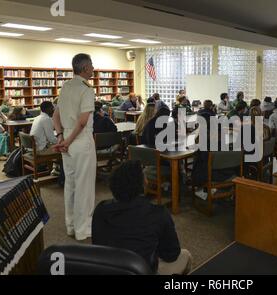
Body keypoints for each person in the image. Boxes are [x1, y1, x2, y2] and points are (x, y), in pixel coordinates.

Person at [92, 160, 192, 274]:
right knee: (185, 255)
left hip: (108, 270)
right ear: (142, 184)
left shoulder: (101, 210)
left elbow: (98, 247)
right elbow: (171, 254)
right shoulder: (158, 214)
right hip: (143, 271)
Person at [52, 53, 97, 241]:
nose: (93, 68)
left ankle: (71, 226)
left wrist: (61, 138)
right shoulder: (86, 90)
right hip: (80, 140)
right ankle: (83, 230)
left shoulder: (66, 87)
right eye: (92, 65)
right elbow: (83, 121)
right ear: (85, 68)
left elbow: (55, 116)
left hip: (66, 141)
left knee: (70, 184)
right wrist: (68, 141)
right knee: (84, 187)